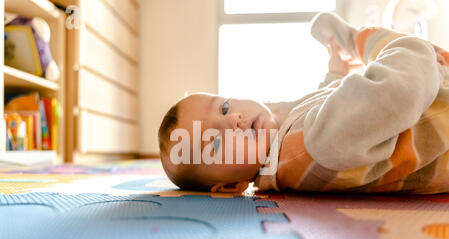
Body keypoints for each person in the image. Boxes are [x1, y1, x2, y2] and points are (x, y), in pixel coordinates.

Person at [158, 12, 449, 194]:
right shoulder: (314, 143)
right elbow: (397, 90)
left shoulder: (287, 151)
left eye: (223, 107)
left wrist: (333, 76)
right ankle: (356, 37)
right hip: (436, 106)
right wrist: (382, 45)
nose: (233, 120)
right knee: (402, 54)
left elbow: (316, 113)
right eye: (216, 142)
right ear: (233, 187)